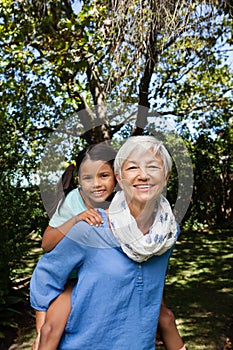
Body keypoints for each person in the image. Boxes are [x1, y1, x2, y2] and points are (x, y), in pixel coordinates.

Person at [31, 136, 186, 350]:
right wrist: (42, 329)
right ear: (121, 178)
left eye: (153, 166)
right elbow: (47, 261)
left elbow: (151, 283)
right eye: (133, 168)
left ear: (166, 176)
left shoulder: (168, 232)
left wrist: (158, 316)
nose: (143, 175)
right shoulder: (89, 223)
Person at [33, 142, 117, 349]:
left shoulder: (120, 203)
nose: (96, 184)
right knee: (48, 332)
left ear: (116, 178)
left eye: (103, 176)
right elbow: (46, 243)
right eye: (88, 178)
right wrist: (76, 219)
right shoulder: (73, 201)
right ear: (79, 180)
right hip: (64, 281)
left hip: (97, 278)